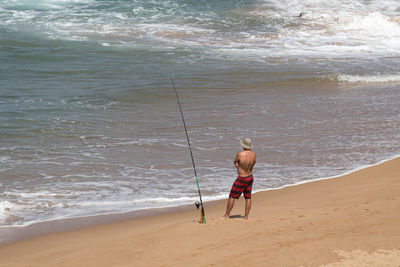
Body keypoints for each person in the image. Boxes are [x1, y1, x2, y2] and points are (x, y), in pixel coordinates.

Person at [223, 138, 256, 219]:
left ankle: (226, 215)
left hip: (242, 178)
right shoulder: (253, 154)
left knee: (232, 196)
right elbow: (252, 163)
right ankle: (246, 216)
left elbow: (235, 161)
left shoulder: (240, 154)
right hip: (250, 177)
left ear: (243, 145)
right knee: (248, 197)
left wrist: (237, 164)